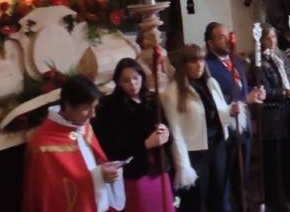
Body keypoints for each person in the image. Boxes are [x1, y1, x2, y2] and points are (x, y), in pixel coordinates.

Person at [24, 75, 124, 212]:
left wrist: (106, 170)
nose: (92, 115)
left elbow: (93, 162)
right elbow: (53, 195)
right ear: (68, 105)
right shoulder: (42, 146)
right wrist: (97, 176)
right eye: (86, 108)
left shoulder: (84, 127)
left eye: (94, 107)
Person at [94, 59, 175, 212]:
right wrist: (145, 144)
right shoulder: (110, 106)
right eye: (126, 80)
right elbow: (111, 147)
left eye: (135, 78)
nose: (132, 84)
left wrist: (165, 133)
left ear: (142, 78)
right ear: (117, 82)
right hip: (134, 175)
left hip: (159, 170)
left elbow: (167, 131)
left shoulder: (152, 99)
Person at [162, 45, 235, 212]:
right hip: (195, 153)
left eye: (202, 59)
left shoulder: (210, 83)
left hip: (217, 145)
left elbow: (219, 112)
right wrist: (183, 165)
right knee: (198, 201)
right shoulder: (172, 92)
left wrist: (231, 110)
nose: (199, 65)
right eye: (193, 61)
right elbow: (176, 131)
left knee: (219, 193)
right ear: (184, 65)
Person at [203, 23, 263, 211]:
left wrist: (255, 92)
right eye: (221, 37)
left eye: (228, 35)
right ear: (210, 43)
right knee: (225, 180)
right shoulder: (207, 67)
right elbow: (215, 99)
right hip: (224, 132)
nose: (227, 39)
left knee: (242, 176)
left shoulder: (235, 60)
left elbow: (241, 86)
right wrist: (246, 99)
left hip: (243, 129)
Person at [256, 26, 290, 212]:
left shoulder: (281, 56)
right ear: (260, 40)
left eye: (273, 36)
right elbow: (265, 92)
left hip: (288, 111)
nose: (272, 40)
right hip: (272, 116)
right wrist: (287, 92)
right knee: (275, 159)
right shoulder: (258, 63)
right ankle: (277, 198)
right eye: (268, 37)